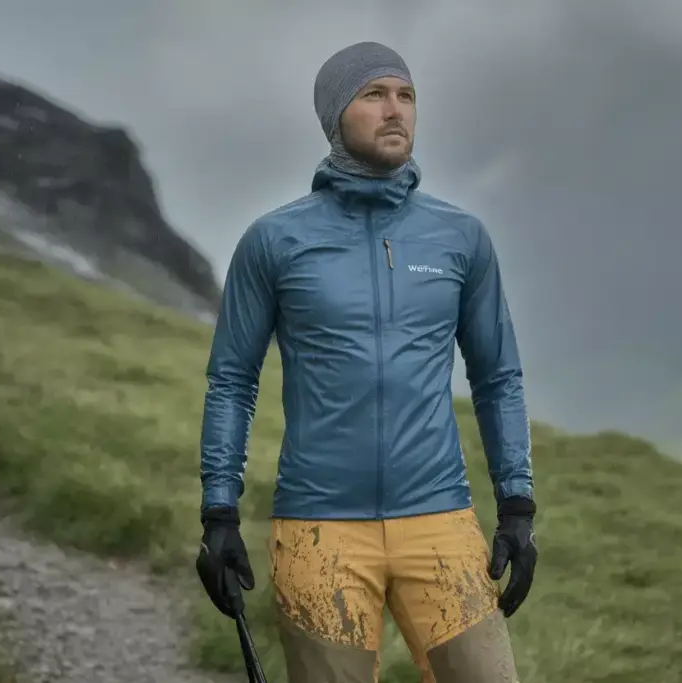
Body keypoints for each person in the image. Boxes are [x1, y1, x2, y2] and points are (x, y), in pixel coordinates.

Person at [195, 40, 537, 683]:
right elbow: (232, 381)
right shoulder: (275, 240)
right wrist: (219, 513)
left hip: (440, 522)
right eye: (374, 95)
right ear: (334, 116)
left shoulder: (461, 238)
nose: (395, 110)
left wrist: (517, 506)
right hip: (318, 530)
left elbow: (498, 378)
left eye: (406, 96)